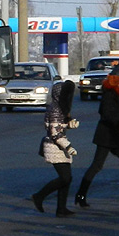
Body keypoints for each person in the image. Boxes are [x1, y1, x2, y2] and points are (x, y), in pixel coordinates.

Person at [74, 64, 119, 208]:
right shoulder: (110, 93)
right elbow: (106, 114)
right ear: (116, 80)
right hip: (107, 134)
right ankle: (80, 195)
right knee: (97, 166)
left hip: (115, 134)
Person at [32, 80, 78, 217]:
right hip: (55, 147)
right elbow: (54, 133)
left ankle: (61, 209)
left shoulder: (58, 107)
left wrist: (69, 125)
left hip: (59, 146)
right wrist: (68, 147)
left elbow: (57, 127)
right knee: (65, 178)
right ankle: (39, 196)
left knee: (67, 178)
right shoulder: (56, 109)